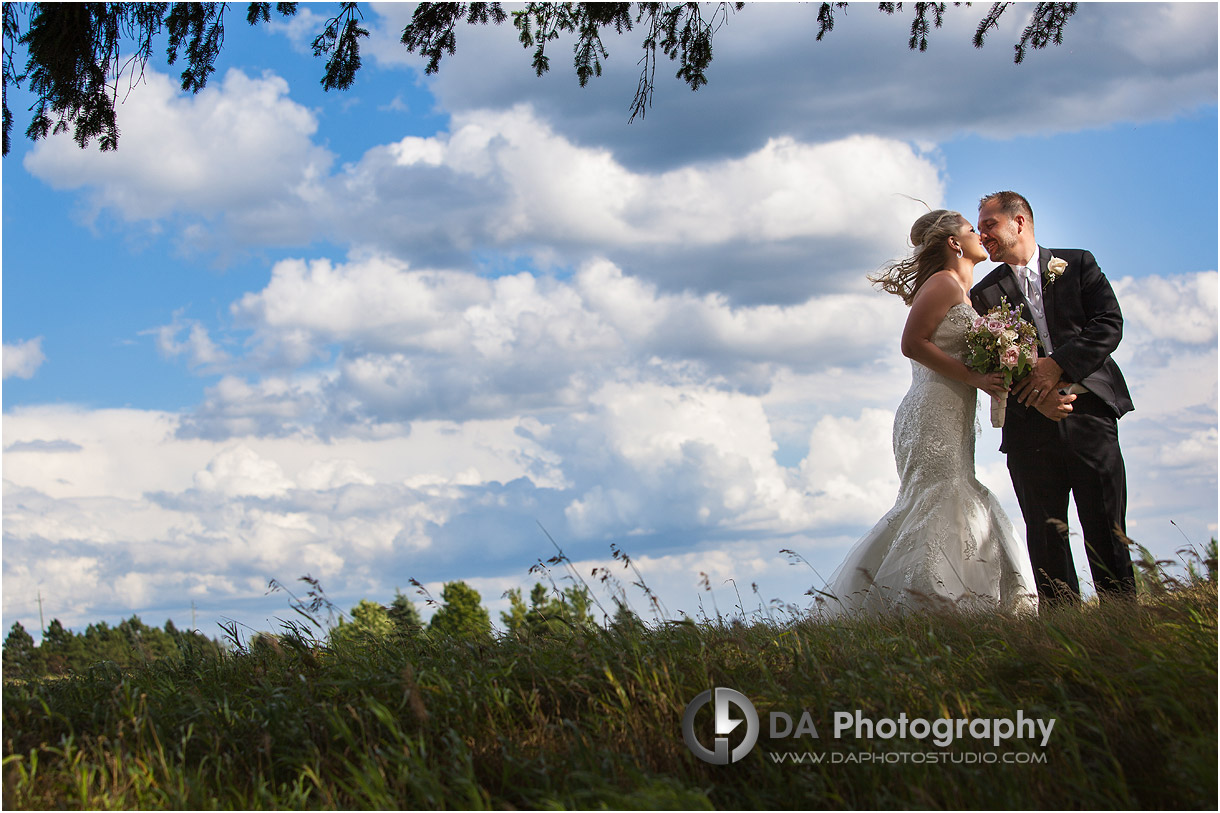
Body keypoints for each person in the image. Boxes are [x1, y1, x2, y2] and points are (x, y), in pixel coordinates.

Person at [821, 209, 1066, 616]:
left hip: (951, 409)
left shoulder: (960, 291)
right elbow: (912, 344)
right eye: (973, 230)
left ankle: (949, 602)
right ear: (955, 243)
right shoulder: (944, 283)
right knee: (941, 497)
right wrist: (973, 376)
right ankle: (926, 605)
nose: (980, 235)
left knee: (947, 497)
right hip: (932, 410)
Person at [971, 191, 1136, 604]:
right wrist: (1038, 397)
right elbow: (990, 363)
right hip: (1029, 428)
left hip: (1090, 416)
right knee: (1045, 534)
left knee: (1106, 524)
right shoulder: (983, 295)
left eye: (989, 224)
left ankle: (1124, 621)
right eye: (980, 227)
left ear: (1019, 222)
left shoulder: (1078, 264)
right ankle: (1061, 629)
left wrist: (1058, 364)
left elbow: (1108, 325)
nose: (982, 234)